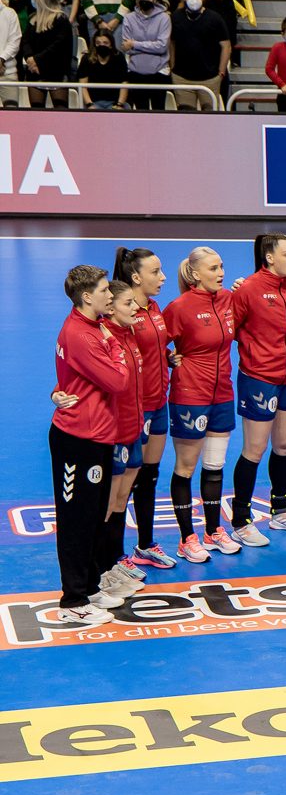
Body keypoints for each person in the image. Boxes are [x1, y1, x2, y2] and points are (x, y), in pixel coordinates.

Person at [49, 267, 129, 625]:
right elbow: (117, 381)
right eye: (103, 290)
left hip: (97, 435)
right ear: (86, 297)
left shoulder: (93, 327)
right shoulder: (84, 335)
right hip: (76, 441)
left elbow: (70, 379)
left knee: (94, 516)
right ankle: (73, 601)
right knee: (75, 520)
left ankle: (91, 585)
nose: (109, 295)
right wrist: (115, 346)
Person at [225, 233, 286, 545]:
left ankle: (281, 510)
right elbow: (229, 330)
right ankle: (241, 518)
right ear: (270, 257)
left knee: (285, 446)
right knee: (255, 449)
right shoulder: (248, 289)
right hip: (259, 377)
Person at [163, 246, 239, 563]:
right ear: (195, 274)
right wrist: (167, 357)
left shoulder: (227, 300)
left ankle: (212, 530)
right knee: (186, 468)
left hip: (222, 393)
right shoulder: (179, 307)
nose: (220, 273)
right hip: (190, 395)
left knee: (215, 466)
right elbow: (153, 340)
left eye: (221, 266)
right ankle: (186, 538)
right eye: (213, 268)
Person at [112, 247, 179, 571]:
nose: (163, 277)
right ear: (136, 277)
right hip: (134, 411)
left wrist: (165, 357)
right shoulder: (121, 315)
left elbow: (152, 347)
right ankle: (116, 553)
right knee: (123, 484)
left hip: (159, 403)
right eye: (155, 272)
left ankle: (144, 545)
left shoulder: (153, 308)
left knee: (149, 477)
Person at [89, 280, 145, 603]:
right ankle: (99, 573)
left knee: (120, 505)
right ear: (111, 308)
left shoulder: (129, 334)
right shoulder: (105, 339)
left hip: (134, 429)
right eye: (128, 304)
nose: (135, 309)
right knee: (107, 507)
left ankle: (112, 564)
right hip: (115, 434)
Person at [169, 0, 229, 110]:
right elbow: (171, 42)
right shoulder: (176, 17)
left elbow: (226, 46)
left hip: (210, 79)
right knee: (185, 117)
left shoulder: (215, 18)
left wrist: (221, 72)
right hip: (182, 78)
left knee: (210, 119)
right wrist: (172, 66)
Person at [20, 0, 73, 109]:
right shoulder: (33, 19)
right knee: (37, 111)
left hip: (56, 72)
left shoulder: (62, 20)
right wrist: (30, 58)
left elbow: (58, 46)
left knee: (60, 112)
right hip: (35, 72)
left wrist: (37, 60)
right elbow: (25, 42)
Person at [121, 0, 171, 111]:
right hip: (136, 73)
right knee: (140, 115)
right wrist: (146, 45)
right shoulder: (128, 18)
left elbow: (162, 46)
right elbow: (127, 47)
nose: (144, 1)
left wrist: (135, 44)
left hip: (159, 73)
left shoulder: (164, 18)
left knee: (159, 114)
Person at [77, 30, 128, 108]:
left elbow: (124, 83)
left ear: (111, 44)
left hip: (114, 102)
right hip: (94, 102)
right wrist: (89, 104)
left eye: (105, 43)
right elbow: (83, 85)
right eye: (98, 43)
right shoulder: (87, 59)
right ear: (94, 44)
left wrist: (119, 104)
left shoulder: (119, 57)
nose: (102, 45)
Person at [0, 0, 19, 109]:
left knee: (13, 117)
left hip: (8, 73)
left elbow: (15, 41)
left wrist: (1, 59)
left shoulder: (10, 13)